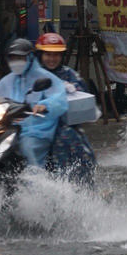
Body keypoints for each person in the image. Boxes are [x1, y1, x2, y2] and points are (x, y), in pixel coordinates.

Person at [0, 38, 67, 168]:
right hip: (8, 127)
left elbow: (59, 98)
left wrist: (45, 105)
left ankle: (37, 182)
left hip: (35, 130)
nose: (16, 62)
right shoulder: (7, 80)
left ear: (30, 58)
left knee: (28, 148)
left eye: (20, 58)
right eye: (12, 58)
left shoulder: (45, 77)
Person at [35, 32, 96, 182]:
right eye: (47, 55)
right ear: (40, 55)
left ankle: (82, 184)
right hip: (34, 125)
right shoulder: (31, 74)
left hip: (63, 125)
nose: (52, 59)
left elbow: (82, 95)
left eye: (56, 55)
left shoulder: (69, 75)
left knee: (72, 143)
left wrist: (71, 89)